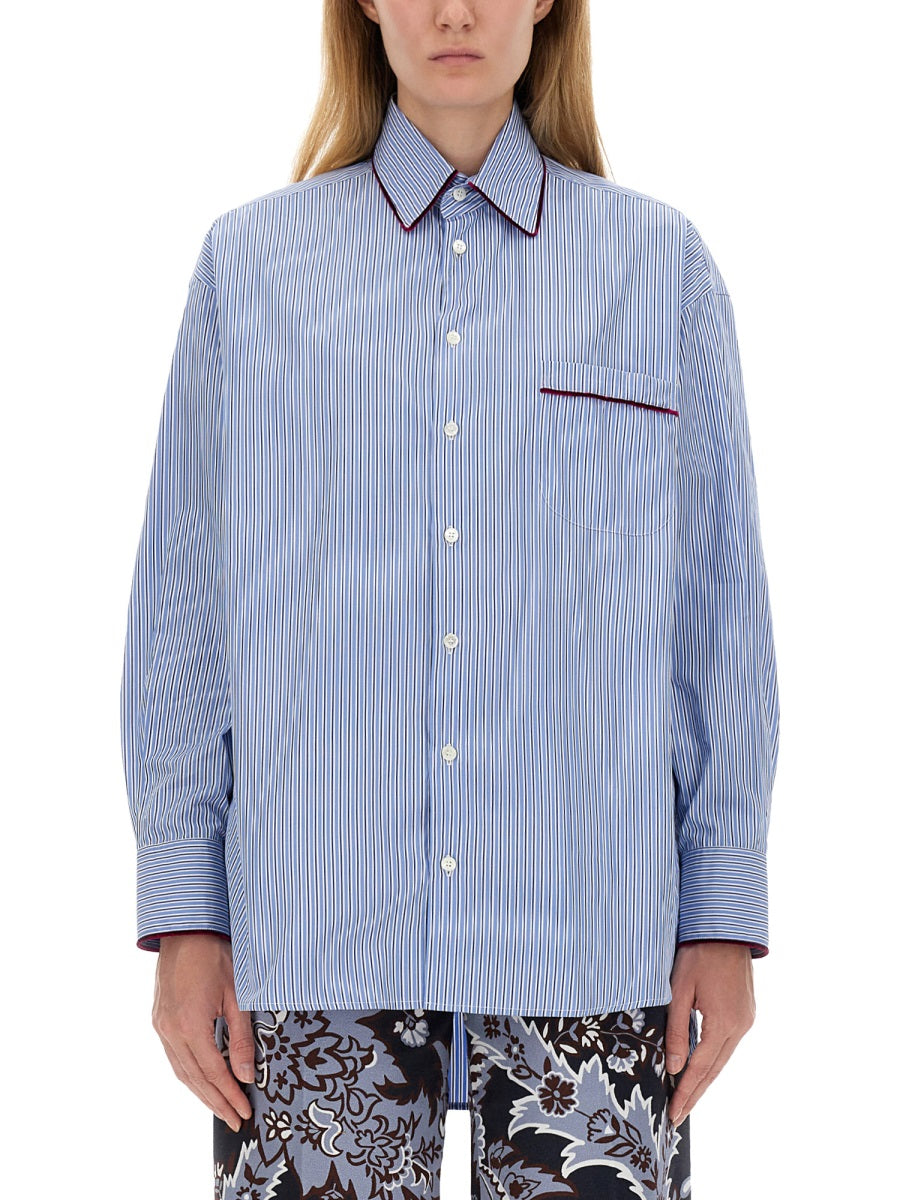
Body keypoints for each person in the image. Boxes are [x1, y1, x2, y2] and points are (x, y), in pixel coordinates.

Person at [119, 1, 780, 1196]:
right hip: (316, 939)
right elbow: (189, 605)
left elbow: (716, 609)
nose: (456, 11)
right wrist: (188, 914)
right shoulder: (254, 268)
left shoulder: (656, 265)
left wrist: (722, 914)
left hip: (592, 937)